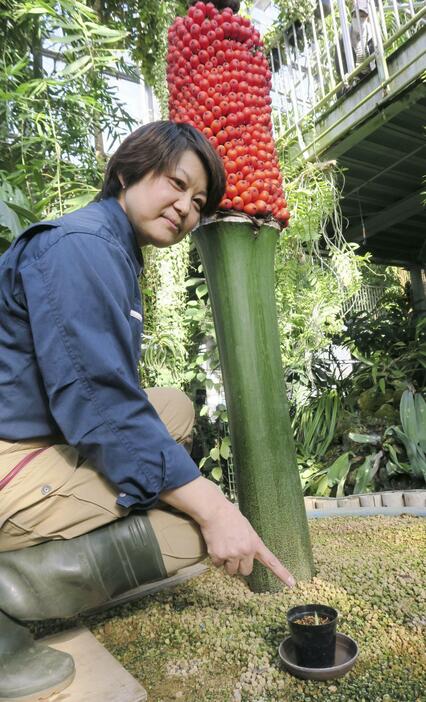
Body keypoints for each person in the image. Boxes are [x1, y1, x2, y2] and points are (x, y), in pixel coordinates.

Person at [0, 120, 295, 701]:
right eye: (175, 183)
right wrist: (214, 510)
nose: (186, 207)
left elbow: (107, 400)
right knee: (186, 533)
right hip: (11, 459)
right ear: (128, 172)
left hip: (30, 437)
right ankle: (8, 589)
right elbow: (100, 404)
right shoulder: (81, 246)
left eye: (199, 201)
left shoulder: (110, 246)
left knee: (174, 409)